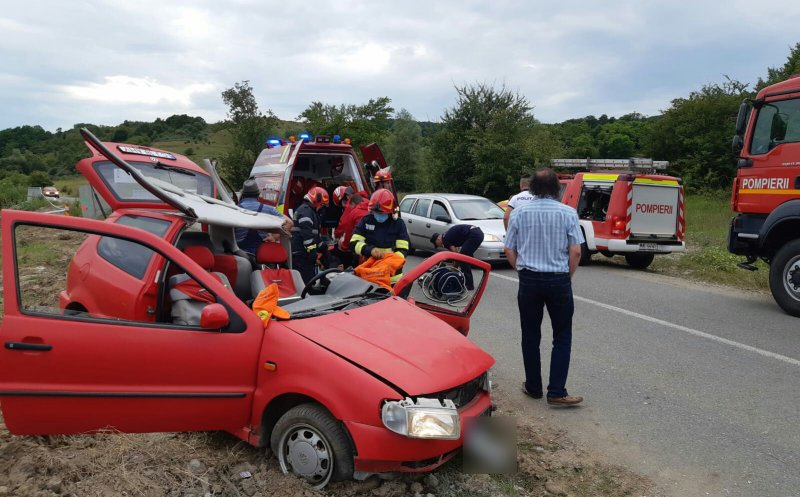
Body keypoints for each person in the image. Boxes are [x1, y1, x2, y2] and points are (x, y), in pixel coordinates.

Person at [504, 168, 584, 406]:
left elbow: (509, 248)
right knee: (562, 335)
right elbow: (576, 251)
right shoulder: (568, 213)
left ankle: (533, 387)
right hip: (558, 279)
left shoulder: (519, 213)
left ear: (532, 188)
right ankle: (557, 392)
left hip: (529, 279)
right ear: (557, 188)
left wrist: (521, 271)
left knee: (530, 335)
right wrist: (566, 276)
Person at [350, 188, 410, 279]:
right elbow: (353, 243)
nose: (378, 215)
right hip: (370, 272)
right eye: (376, 212)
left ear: (391, 211)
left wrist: (389, 262)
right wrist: (370, 250)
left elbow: (403, 249)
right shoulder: (366, 220)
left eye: (382, 213)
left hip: (392, 276)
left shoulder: (398, 224)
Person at [235, 179, 292, 256]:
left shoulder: (234, 210)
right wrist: (274, 237)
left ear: (242, 194)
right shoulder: (268, 209)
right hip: (263, 255)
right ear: (258, 194)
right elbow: (289, 223)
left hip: (240, 254)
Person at [291, 186, 329, 284]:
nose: (321, 208)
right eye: (321, 205)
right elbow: (307, 238)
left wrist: (323, 247)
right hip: (301, 255)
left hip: (302, 253)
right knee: (307, 284)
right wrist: (313, 254)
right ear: (316, 201)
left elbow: (314, 236)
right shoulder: (306, 212)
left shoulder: (308, 211)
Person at [429, 224, 484, 290]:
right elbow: (457, 251)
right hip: (478, 232)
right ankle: (466, 277)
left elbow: (456, 255)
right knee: (466, 257)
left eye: (436, 244)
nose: (439, 246)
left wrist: (453, 268)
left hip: (474, 235)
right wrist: (455, 266)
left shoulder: (445, 240)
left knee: (463, 260)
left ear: (438, 239)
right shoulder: (446, 235)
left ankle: (469, 285)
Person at [333, 191, 369, 269]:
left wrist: (344, 246)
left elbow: (347, 229)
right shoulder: (370, 205)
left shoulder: (354, 212)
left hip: (361, 247)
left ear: (352, 204)